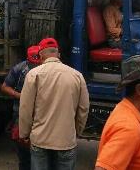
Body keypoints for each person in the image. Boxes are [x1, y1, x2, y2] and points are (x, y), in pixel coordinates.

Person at [19, 38, 89, 170]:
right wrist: (77, 131)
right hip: (66, 141)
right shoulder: (77, 76)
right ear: (59, 55)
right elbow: (84, 108)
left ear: (40, 56)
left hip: (40, 140)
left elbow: (25, 108)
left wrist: (24, 134)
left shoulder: (34, 75)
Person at [0, 45, 41, 170]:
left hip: (40, 116)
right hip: (21, 114)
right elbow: (4, 87)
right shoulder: (19, 68)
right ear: (28, 60)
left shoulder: (48, 70)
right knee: (23, 150)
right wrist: (20, 96)